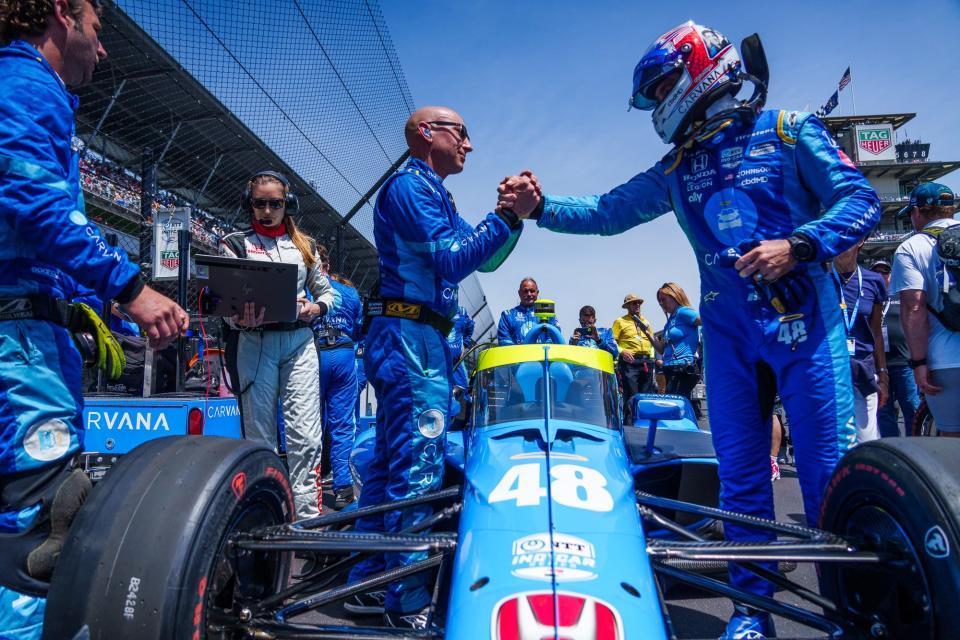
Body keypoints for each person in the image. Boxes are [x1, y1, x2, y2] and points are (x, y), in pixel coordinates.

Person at [498, 21, 879, 639]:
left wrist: (800, 244)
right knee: (742, 484)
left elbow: (860, 199)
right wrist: (538, 209)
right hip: (728, 339)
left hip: (805, 325)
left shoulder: (788, 129)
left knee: (826, 476)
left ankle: (852, 615)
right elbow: (604, 211)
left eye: (660, 88)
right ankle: (752, 612)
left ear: (696, 68)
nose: (656, 104)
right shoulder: (678, 166)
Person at [0, 2, 189, 637]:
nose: (103, 49)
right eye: (97, 28)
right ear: (61, 14)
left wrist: (108, 301)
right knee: (36, 529)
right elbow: (34, 203)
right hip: (18, 340)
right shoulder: (27, 82)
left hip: (26, 324)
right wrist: (131, 288)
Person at [345, 105, 524, 629]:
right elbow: (453, 258)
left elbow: (484, 259)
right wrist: (507, 216)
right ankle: (407, 602)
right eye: (462, 133)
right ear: (428, 133)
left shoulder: (432, 189)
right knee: (417, 467)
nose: (469, 144)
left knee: (389, 464)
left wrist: (509, 217)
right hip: (409, 336)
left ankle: (368, 580)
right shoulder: (410, 187)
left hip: (417, 335)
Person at [219, 170, 333, 519]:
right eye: (260, 203)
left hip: (299, 342)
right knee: (259, 439)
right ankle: (264, 517)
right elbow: (222, 301)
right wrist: (237, 318)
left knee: (306, 438)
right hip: (254, 343)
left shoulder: (306, 247)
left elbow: (327, 292)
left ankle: (309, 520)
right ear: (249, 204)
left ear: (288, 206)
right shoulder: (233, 243)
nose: (267, 210)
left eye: (275, 204)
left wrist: (316, 307)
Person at [890, 182, 960, 436]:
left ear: (917, 212)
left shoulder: (911, 248)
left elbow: (914, 308)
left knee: (952, 442)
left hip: (945, 361)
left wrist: (918, 363)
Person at [314, 273, 363, 510]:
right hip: (344, 352)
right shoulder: (350, 292)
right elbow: (359, 328)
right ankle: (343, 489)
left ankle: (310, 489)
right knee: (343, 424)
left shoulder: (307, 286)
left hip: (314, 352)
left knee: (310, 423)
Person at [832, 239, 888, 443]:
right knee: (835, 443)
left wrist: (883, 375)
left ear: (860, 242)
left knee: (866, 439)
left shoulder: (874, 281)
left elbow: (876, 332)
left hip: (863, 369)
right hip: (831, 370)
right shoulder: (821, 281)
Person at [871, 259, 920, 437]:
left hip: (903, 362)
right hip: (879, 364)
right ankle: (892, 449)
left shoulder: (900, 296)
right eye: (876, 272)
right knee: (884, 410)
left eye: (884, 272)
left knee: (911, 407)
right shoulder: (869, 298)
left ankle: (915, 447)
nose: (880, 275)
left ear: (891, 276)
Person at [647, 282, 701, 405]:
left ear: (674, 296)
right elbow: (661, 349)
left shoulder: (683, 312)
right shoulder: (671, 320)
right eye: (659, 301)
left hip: (682, 367)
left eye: (663, 299)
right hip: (671, 368)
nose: (661, 303)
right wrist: (648, 334)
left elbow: (706, 320)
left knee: (675, 404)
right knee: (674, 403)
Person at [612, 293, 657, 425]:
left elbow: (652, 341)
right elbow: (612, 342)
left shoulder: (646, 322)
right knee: (632, 396)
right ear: (627, 306)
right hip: (629, 362)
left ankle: (644, 425)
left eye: (639, 303)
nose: (637, 305)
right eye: (634, 303)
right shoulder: (620, 321)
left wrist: (652, 358)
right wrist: (622, 351)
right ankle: (629, 426)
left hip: (647, 362)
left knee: (645, 397)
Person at [497, 277, 560, 345]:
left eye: (532, 291)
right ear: (519, 293)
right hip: (518, 355)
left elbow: (555, 336)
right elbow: (504, 341)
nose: (529, 294)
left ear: (537, 293)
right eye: (525, 291)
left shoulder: (547, 313)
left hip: (543, 354)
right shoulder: (507, 316)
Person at [446, 305, 475, 424]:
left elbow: (470, 325)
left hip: (457, 362)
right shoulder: (434, 306)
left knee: (464, 389)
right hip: (439, 362)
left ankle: (465, 423)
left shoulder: (462, 311)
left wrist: (465, 344)